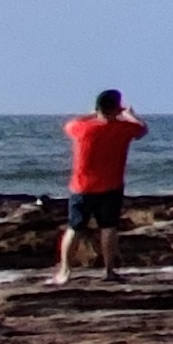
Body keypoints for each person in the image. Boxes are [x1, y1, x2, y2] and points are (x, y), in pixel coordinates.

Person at [57, 88, 145, 279]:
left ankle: (65, 270)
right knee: (108, 227)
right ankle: (109, 270)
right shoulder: (124, 129)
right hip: (111, 186)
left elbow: (71, 123)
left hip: (82, 186)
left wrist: (93, 112)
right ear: (117, 109)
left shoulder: (81, 128)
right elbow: (142, 129)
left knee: (75, 228)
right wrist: (130, 115)